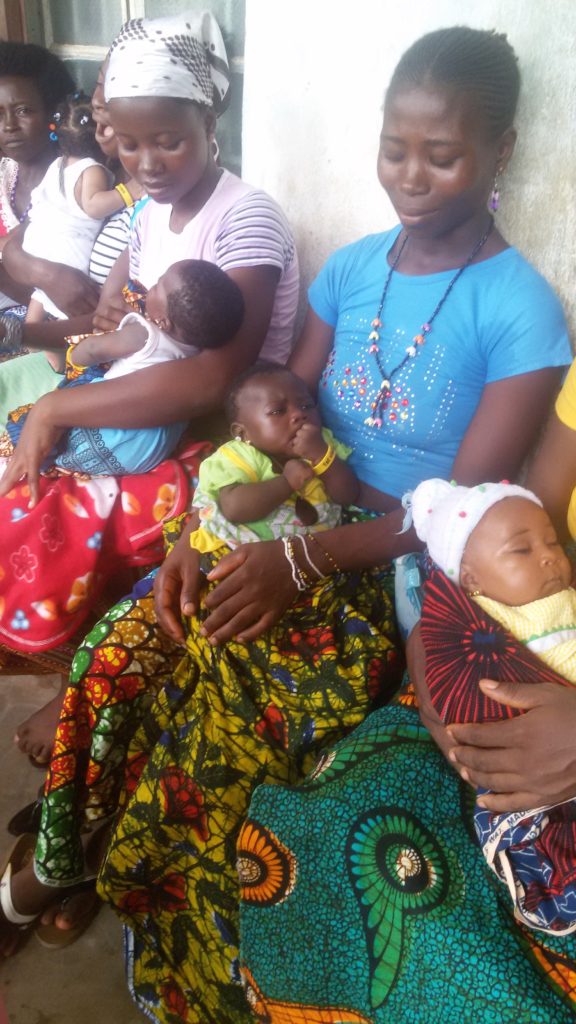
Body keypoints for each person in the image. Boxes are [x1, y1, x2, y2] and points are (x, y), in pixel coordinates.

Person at [3, 22, 567, 1023]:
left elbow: (462, 515)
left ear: (499, 152)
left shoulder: (521, 311)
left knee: (224, 688)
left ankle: (110, 881)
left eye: (443, 154)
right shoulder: (352, 269)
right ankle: (62, 850)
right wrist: (196, 535)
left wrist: (300, 562)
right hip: (280, 521)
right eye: (396, 148)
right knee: (128, 640)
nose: (412, 176)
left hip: (383, 557)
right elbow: (271, 409)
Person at [0, 2, 297, 822]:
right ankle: (77, 709)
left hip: (214, 436)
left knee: (34, 501)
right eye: (127, 144)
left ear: (211, 119)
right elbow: (115, 300)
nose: (148, 161)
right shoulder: (142, 211)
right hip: (146, 396)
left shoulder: (246, 218)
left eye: (169, 139)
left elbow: (212, 379)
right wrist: (97, 328)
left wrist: (63, 404)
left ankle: (82, 718)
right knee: (20, 444)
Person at [411, 477, 576, 934]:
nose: (550, 555)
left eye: (552, 545)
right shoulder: (481, 613)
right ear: (471, 581)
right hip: (514, 768)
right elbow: (438, 634)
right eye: (523, 551)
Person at [1, 260, 245, 476]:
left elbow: (97, 348)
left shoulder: (144, 332)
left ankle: (27, 461)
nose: (152, 286)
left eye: (158, 285)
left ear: (162, 321)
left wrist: (78, 355)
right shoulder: (195, 352)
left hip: (114, 430)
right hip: (150, 448)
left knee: (41, 427)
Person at [0, 58, 137, 422]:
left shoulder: (98, 174)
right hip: (40, 319)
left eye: (24, 110)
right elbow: (12, 248)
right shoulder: (13, 172)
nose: (9, 126)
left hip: (74, 330)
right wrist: (43, 274)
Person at [190, 363, 361, 554]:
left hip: (312, 558)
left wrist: (321, 455)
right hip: (233, 551)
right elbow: (234, 508)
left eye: (306, 405)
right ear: (243, 433)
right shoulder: (238, 457)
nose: (298, 414)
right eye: (277, 411)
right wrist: (287, 482)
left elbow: (348, 495)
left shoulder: (323, 443)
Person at [20, 91, 139, 336]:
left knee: (42, 296)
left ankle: (31, 334)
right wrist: (128, 192)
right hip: (69, 249)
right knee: (76, 303)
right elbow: (93, 206)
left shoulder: (59, 163)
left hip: (38, 240)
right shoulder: (92, 169)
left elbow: (39, 196)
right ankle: (57, 347)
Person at [0, 41, 76, 409]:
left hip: (54, 331)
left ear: (54, 114)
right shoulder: (4, 175)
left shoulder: (76, 180)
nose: (9, 126)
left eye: (24, 110)